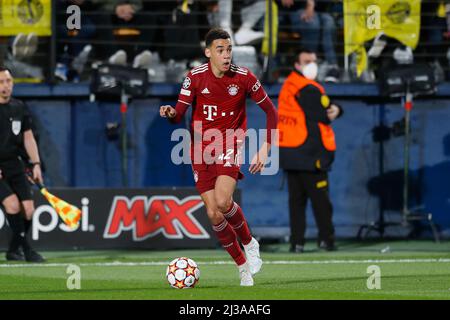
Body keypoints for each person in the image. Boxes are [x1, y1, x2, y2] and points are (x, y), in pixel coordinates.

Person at [160, 28, 278, 286]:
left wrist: (266, 147)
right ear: (208, 52)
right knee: (213, 214)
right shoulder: (195, 78)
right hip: (200, 149)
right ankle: (242, 266)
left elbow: (271, 111)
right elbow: (179, 114)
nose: (226, 55)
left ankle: (249, 242)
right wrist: (170, 112)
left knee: (224, 202)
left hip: (229, 144)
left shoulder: (244, 77)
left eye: (229, 50)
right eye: (220, 50)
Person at [277, 49, 343, 253]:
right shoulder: (308, 88)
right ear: (297, 65)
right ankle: (326, 239)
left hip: (289, 152)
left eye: (314, 61)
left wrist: (335, 107)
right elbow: (322, 115)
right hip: (309, 154)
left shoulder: (289, 85)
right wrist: (337, 109)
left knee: (296, 203)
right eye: (307, 61)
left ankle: (297, 243)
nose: (312, 65)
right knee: (321, 202)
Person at [0, 67, 45, 262]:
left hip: (14, 164)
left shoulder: (19, 107)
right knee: (12, 205)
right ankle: (28, 250)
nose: (5, 86)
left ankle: (13, 250)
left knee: (28, 209)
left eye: (8, 81)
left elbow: (28, 138)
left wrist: (36, 164)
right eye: (1, 82)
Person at [279, 0, 340, 82]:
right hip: (295, 10)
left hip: (319, 11)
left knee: (329, 22)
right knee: (312, 23)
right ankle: (311, 65)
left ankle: (332, 66)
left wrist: (312, 4)